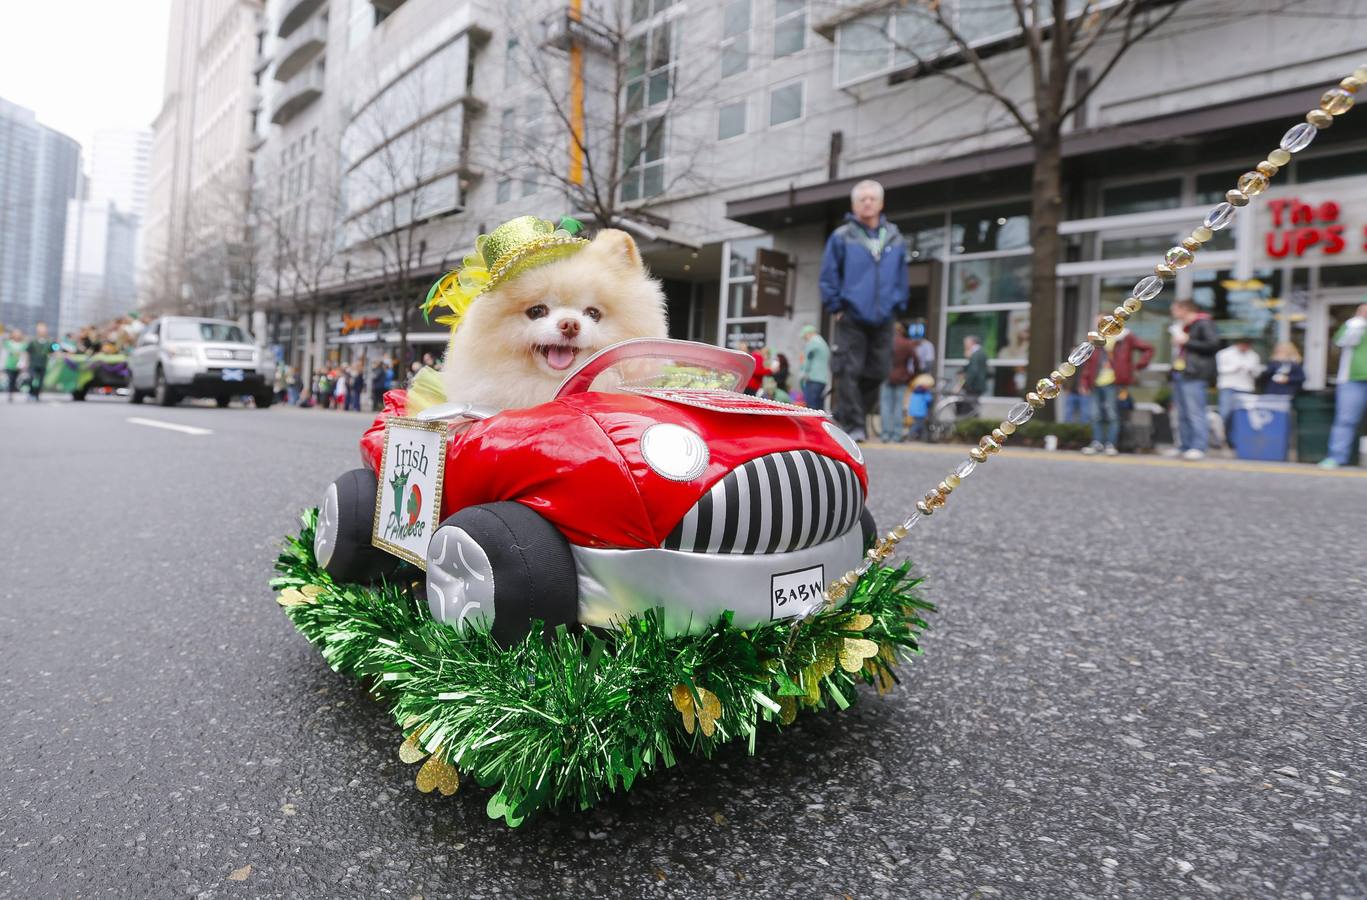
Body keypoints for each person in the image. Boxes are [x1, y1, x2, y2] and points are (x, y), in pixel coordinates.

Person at [819, 179, 909, 441]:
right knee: (849, 369)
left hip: (884, 316)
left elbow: (902, 275)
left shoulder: (894, 237)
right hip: (852, 314)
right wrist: (836, 306)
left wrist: (898, 304)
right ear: (854, 205)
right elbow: (828, 275)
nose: (867, 202)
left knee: (879, 371)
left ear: (880, 203)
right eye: (862, 199)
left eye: (872, 198)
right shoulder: (842, 236)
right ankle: (854, 424)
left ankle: (847, 414)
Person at [1078, 327, 1154, 455]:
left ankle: (1111, 444)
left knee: (1112, 414)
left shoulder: (1125, 337)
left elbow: (1148, 348)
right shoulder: (1096, 339)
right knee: (1095, 415)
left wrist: (1136, 367)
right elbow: (1088, 362)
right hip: (1096, 382)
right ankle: (1097, 442)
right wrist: (1084, 381)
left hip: (1114, 382)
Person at [1167, 298, 1220, 461]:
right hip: (1182, 373)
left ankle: (1199, 446)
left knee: (1195, 412)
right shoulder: (1185, 327)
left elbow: (1213, 344)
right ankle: (1185, 446)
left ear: (1185, 309)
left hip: (1195, 374)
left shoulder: (1203, 323)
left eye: (1175, 309)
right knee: (1182, 413)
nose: (1173, 313)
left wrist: (1187, 341)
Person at [1321, 303, 1367, 469]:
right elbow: (1341, 342)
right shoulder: (1353, 325)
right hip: (1351, 380)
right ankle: (1336, 457)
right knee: (1346, 420)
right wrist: (1358, 322)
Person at [1215, 335, 1263, 448]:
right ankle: (1222, 439)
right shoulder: (1224, 353)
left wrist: (1251, 370)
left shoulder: (1253, 355)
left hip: (1246, 388)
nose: (1246, 347)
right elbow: (1219, 369)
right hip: (1228, 386)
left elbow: (1257, 373)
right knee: (1225, 413)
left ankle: (1236, 441)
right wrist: (1235, 367)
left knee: (1241, 417)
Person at [878, 322, 916, 442]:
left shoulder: (885, 343)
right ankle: (896, 435)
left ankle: (885, 434)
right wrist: (910, 375)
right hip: (901, 378)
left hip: (886, 377)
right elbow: (916, 361)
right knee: (898, 407)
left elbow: (877, 359)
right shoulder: (907, 343)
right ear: (902, 331)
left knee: (885, 407)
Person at [798, 324, 830, 411]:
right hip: (822, 379)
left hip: (813, 379)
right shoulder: (822, 343)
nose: (805, 340)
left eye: (805, 337)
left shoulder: (813, 342)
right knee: (818, 406)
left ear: (809, 334)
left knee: (811, 407)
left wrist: (802, 373)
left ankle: (811, 424)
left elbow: (806, 360)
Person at [24, 323, 52, 402]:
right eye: (40, 330)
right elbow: (27, 352)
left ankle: (36, 395)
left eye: (44, 330)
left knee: (40, 381)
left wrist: (55, 345)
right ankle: (31, 393)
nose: (42, 332)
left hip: (43, 364)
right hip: (33, 364)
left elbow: (54, 350)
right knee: (32, 379)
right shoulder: (33, 341)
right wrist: (25, 363)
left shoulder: (49, 342)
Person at [906, 373, 934, 441]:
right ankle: (912, 436)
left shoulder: (914, 392)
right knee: (919, 425)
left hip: (913, 411)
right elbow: (929, 400)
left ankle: (923, 437)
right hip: (920, 412)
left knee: (919, 425)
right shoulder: (925, 392)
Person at [4, 329, 24, 402]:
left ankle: (12, 392)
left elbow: (24, 355)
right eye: (15, 333)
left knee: (15, 380)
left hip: (18, 365)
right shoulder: (8, 343)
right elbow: (4, 353)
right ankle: (10, 394)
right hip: (9, 364)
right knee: (10, 379)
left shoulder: (23, 344)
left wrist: (23, 364)